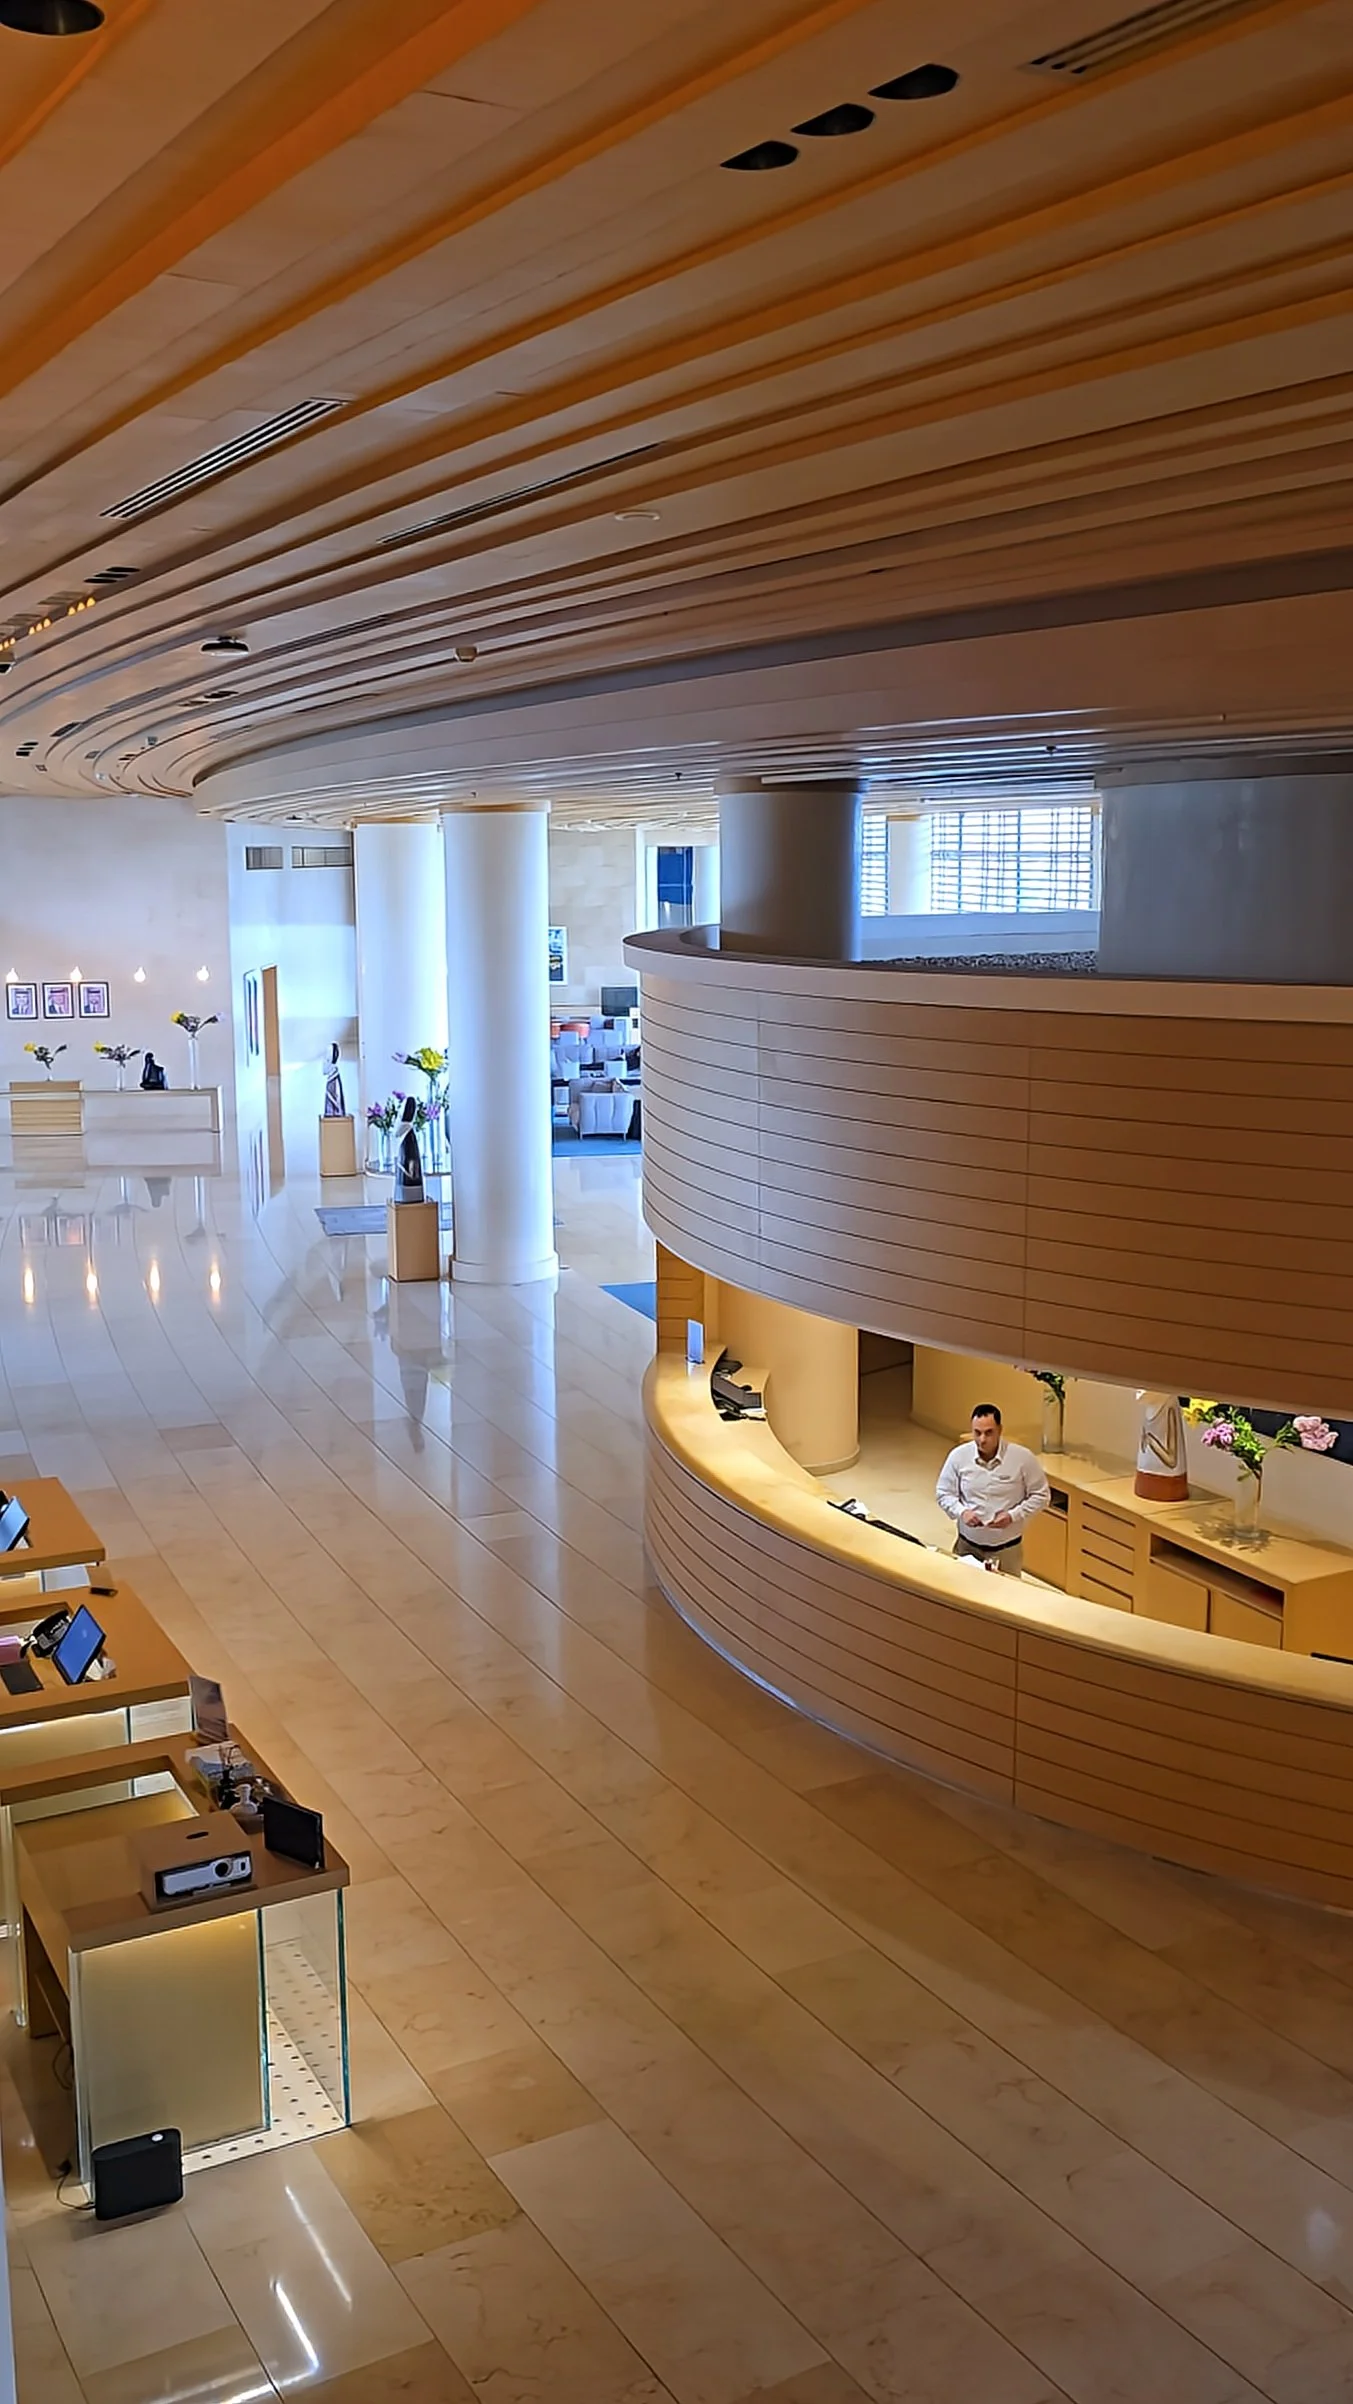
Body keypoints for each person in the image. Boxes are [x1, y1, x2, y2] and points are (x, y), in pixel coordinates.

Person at [936, 1401, 1050, 1576]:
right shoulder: (958, 1456)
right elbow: (944, 1493)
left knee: (1006, 1598)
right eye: (977, 1433)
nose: (982, 1439)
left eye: (989, 1433)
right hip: (967, 1547)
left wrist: (1013, 1515)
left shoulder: (1022, 1458)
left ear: (1000, 1429)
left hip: (1006, 1551)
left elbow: (1041, 1495)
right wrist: (962, 1512)